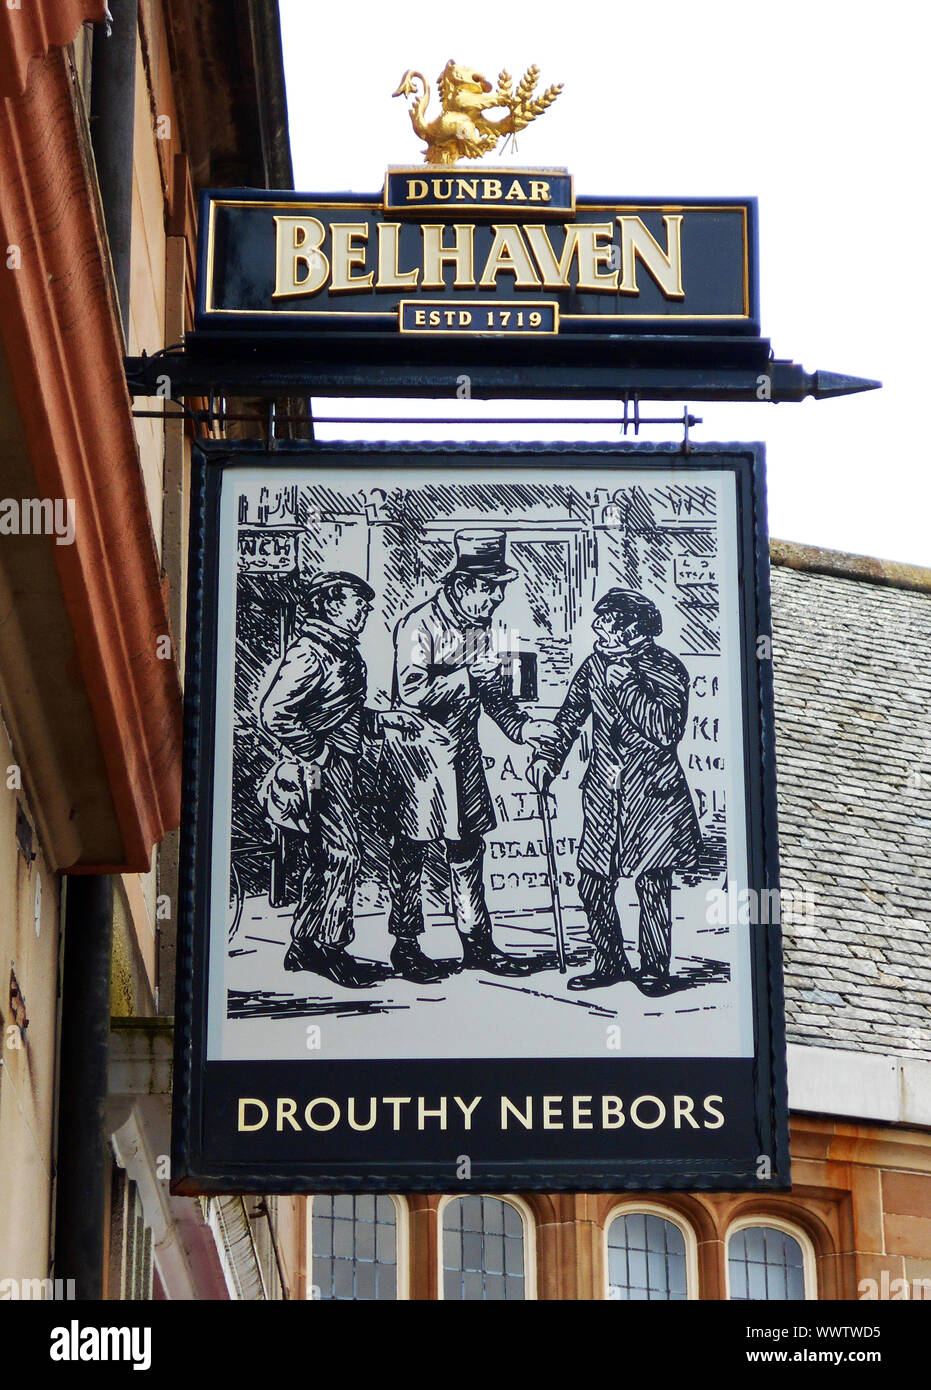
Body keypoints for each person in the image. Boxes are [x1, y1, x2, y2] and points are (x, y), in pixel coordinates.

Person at [378, 529, 559, 983]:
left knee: (467, 848)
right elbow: (413, 692)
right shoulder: (419, 624)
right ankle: (406, 946)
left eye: (501, 590)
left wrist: (522, 729)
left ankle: (478, 945)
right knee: (411, 853)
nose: (497, 600)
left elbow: (493, 696)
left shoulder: (479, 629)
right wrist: (467, 677)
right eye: (492, 590)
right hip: (417, 758)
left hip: (462, 755)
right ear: (462, 586)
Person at [528, 588, 702, 994]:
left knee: (652, 883)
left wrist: (627, 687)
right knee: (592, 880)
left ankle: (655, 970)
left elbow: (666, 731)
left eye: (606, 625)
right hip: (605, 792)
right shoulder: (593, 666)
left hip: (653, 797)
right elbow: (569, 718)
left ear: (634, 629)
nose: (597, 631)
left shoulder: (667, 667)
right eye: (598, 624)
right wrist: (547, 761)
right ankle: (609, 963)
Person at [259, 570, 417, 987]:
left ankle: (305, 945)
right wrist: (318, 752)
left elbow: (340, 713)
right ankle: (328, 949)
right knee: (340, 855)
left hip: (337, 769)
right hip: (317, 772)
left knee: (327, 858)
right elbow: (275, 713)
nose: (365, 611)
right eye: (357, 603)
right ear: (331, 604)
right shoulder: (312, 652)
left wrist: (382, 721)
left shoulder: (340, 650)